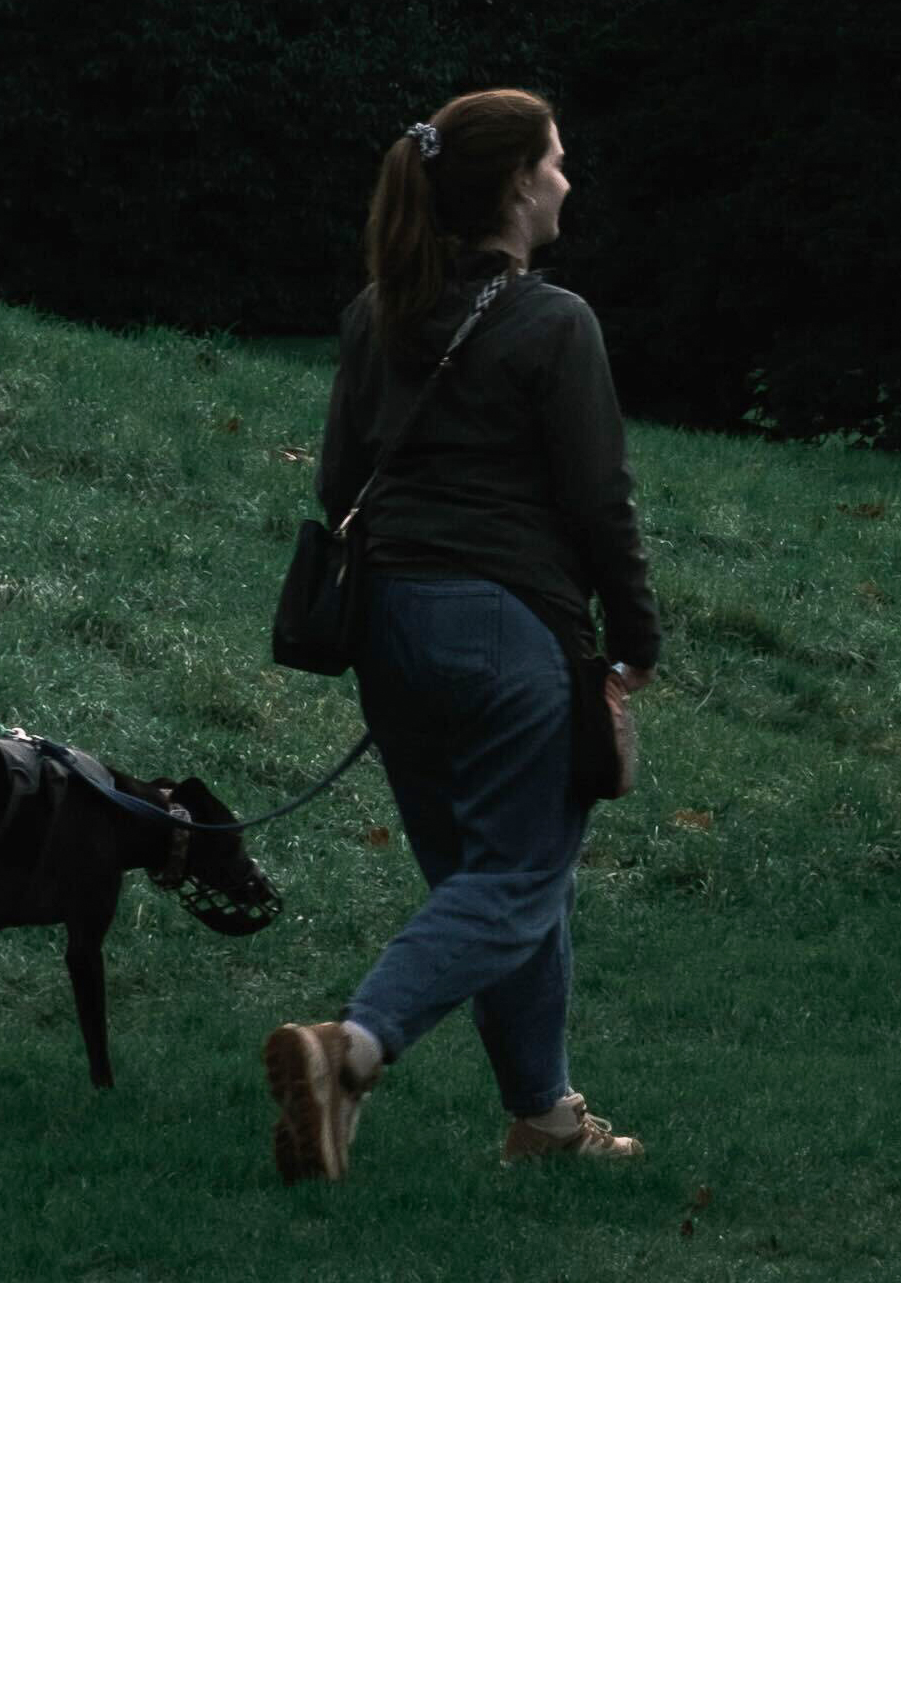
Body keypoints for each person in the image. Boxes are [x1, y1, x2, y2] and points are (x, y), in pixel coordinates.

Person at [265, 88, 661, 1182]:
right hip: (506, 630)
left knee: (485, 883)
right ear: (518, 186)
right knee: (516, 879)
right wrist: (635, 637)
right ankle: (345, 1052)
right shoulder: (554, 321)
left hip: (389, 627)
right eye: (559, 161)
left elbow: (343, 482)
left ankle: (544, 1118)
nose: (569, 180)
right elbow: (599, 501)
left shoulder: (375, 311)